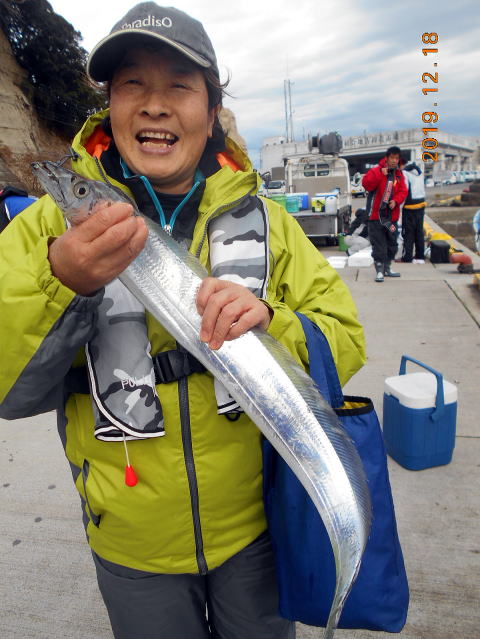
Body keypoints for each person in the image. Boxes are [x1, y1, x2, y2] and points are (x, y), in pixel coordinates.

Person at [0, 3, 366, 638]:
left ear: (212, 108)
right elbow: (9, 391)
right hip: (131, 544)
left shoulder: (272, 225)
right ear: (109, 105)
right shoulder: (43, 230)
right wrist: (60, 283)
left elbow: (346, 338)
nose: (155, 105)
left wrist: (272, 324)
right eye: (132, 84)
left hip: (257, 531)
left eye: (179, 85)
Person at [362, 146, 408, 282]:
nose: (394, 160)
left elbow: (403, 191)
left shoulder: (399, 174)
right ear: (387, 158)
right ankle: (379, 271)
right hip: (376, 218)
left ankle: (387, 268)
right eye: (392, 158)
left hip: (391, 219)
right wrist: (380, 174)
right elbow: (366, 185)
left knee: (392, 244)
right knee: (379, 245)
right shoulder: (376, 170)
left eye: (397, 158)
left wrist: (396, 201)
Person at [401, 162, 427, 263]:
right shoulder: (420, 173)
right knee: (419, 232)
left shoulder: (405, 174)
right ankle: (420, 255)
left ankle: (407, 257)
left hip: (409, 207)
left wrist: (399, 207)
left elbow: (404, 191)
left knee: (408, 233)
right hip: (421, 205)